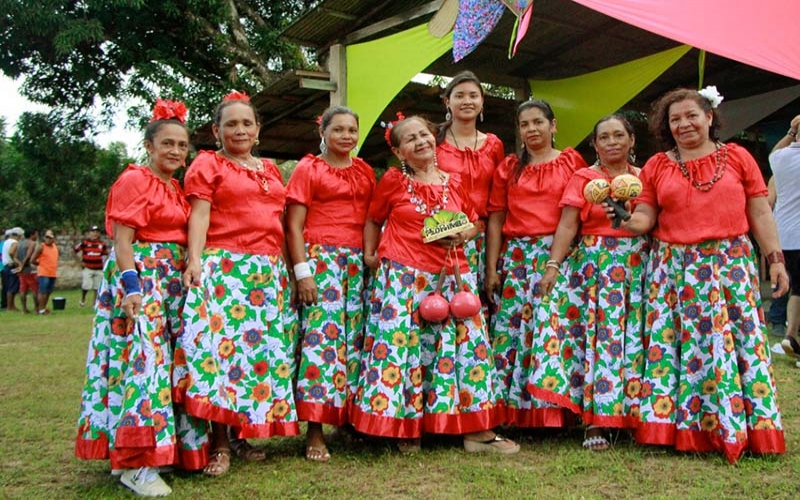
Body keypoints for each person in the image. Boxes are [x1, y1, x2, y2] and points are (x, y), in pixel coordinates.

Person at [618, 86, 787, 463]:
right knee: (680, 349)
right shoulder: (657, 165)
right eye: (674, 119)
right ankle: (677, 429)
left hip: (729, 265)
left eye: (691, 115)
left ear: (709, 117)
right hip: (675, 270)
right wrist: (629, 220)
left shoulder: (740, 157)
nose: (683, 124)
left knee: (734, 346)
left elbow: (760, 212)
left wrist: (775, 258)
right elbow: (647, 216)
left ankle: (740, 427)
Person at [352, 115, 518, 454]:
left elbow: (476, 222)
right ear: (399, 151)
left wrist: (465, 233)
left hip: (453, 276)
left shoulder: (455, 181)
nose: (421, 142)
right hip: (404, 277)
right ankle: (405, 429)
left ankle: (476, 432)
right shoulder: (394, 182)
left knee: (463, 349)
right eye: (410, 139)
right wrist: (371, 255)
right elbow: (373, 219)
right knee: (405, 351)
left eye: (424, 135)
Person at [75, 98, 208, 497]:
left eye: (182, 146)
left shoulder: (175, 188)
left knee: (167, 368)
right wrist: (132, 288)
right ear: (149, 146)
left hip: (170, 283)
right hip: (142, 281)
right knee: (143, 367)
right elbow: (122, 240)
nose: (175, 152)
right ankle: (137, 463)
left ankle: (163, 453)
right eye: (167, 143)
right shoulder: (134, 180)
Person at [177, 91, 299, 476]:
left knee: (253, 359)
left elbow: (276, 224)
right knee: (221, 355)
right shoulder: (207, 164)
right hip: (226, 268)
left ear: (258, 130)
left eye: (247, 123)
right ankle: (219, 443)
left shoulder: (270, 170)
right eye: (231, 123)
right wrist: (194, 260)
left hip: (266, 272)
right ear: (216, 130)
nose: (240, 130)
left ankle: (240, 436)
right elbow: (198, 216)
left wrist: (287, 270)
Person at [535, 114, 647, 450]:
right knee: (597, 343)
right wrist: (553, 265)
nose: (612, 142)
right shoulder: (584, 178)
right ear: (595, 145)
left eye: (618, 136)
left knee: (634, 342)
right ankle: (594, 421)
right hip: (594, 267)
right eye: (604, 137)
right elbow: (568, 225)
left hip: (637, 266)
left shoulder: (645, 178)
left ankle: (630, 417)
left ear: (631, 140)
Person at [485, 100, 588, 427]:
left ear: (553, 126)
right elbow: (496, 218)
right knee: (515, 331)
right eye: (525, 124)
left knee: (555, 328)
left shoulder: (572, 162)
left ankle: (555, 410)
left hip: (559, 255)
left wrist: (562, 259)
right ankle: (514, 410)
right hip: (517, 256)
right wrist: (491, 268)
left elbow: (578, 214)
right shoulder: (508, 168)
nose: (531, 129)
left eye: (538, 122)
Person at [286, 106, 376, 462]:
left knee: (354, 340)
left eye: (352, 130)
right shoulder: (309, 168)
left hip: (356, 265)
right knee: (320, 342)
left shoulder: (365, 171)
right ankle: (314, 431)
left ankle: (349, 421)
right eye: (337, 130)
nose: (346, 137)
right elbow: (293, 225)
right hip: (321, 261)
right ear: (321, 132)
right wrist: (302, 271)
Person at [436, 71, 505, 313]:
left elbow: (498, 200)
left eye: (473, 95)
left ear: (482, 102)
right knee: (441, 303)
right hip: (443, 236)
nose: (467, 101)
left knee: (478, 305)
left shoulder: (494, 145)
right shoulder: (434, 140)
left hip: (483, 238)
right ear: (447, 101)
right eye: (460, 95)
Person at [765, 176, 788, 339]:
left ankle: (778, 321)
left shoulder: (779, 164)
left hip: (783, 231)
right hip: (785, 234)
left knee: (782, 280)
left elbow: (768, 202)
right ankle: (780, 320)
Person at [74, 225, 110, 307]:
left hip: (99, 268)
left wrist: (104, 264)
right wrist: (79, 262)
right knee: (86, 285)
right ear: (89, 233)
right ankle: (83, 299)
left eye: (97, 232)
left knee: (97, 287)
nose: (95, 234)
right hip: (88, 267)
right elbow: (74, 250)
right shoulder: (85, 243)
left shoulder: (102, 244)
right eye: (93, 232)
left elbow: (106, 254)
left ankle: (95, 303)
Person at [32, 229, 59, 314]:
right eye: (46, 237)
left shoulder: (55, 246)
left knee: (48, 292)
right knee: (42, 291)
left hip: (52, 272)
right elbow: (32, 260)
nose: (48, 239)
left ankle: (43, 308)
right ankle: (40, 309)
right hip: (44, 272)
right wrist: (41, 265)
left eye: (50, 238)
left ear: (53, 239)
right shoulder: (41, 246)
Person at [1, 227, 23, 311]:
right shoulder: (14, 242)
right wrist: (17, 261)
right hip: (12, 266)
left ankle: (11, 305)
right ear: (18, 235)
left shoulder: (6, 242)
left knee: (8, 286)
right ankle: (10, 306)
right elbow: (11, 252)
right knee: (13, 287)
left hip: (6, 266)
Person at [16, 229, 38, 313]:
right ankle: (36, 308)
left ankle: (24, 309)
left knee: (23, 289)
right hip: (29, 269)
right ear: (32, 235)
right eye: (36, 234)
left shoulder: (19, 243)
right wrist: (23, 264)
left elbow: (14, 256)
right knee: (35, 289)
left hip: (21, 271)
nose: (36, 236)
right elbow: (28, 255)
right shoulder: (32, 243)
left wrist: (19, 264)